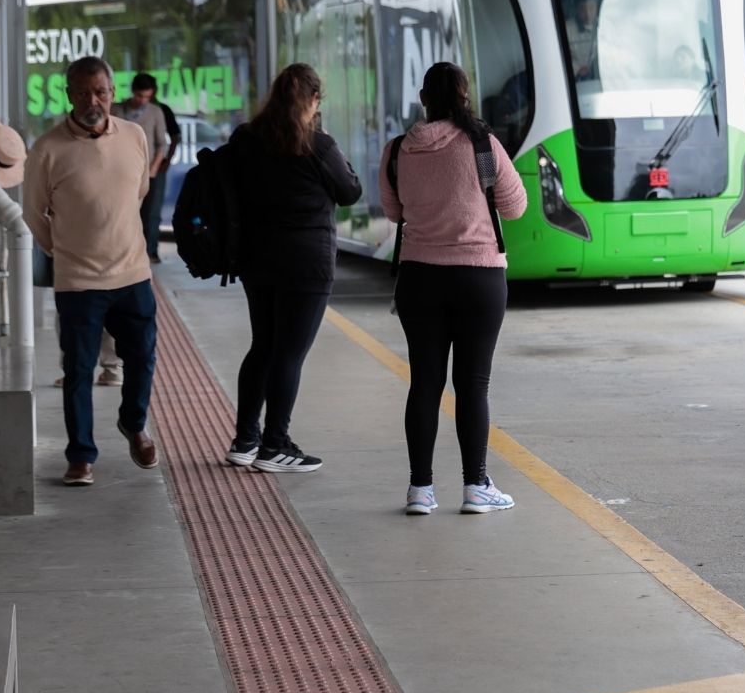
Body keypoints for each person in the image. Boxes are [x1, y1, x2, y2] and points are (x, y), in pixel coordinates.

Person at [378, 61, 528, 514]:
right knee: (472, 384)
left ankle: (420, 491)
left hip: (419, 276)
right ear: (465, 97)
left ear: (424, 99)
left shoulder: (399, 149)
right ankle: (475, 486)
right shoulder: (482, 142)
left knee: (424, 382)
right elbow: (516, 206)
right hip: (479, 277)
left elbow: (392, 210)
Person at [25, 56, 160, 487]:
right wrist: (63, 251)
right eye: (82, 92)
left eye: (100, 91)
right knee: (80, 371)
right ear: (68, 95)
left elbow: (137, 192)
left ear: (112, 92)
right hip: (79, 282)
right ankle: (81, 455)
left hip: (133, 275)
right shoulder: (47, 149)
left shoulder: (135, 136)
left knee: (141, 357)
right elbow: (33, 213)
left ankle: (133, 423)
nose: (92, 100)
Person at [225, 63, 361, 473]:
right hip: (307, 263)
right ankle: (275, 444)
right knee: (289, 353)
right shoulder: (318, 145)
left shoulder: (245, 139)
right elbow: (350, 191)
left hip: (257, 260)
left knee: (263, 345)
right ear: (314, 100)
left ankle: (245, 439)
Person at [113, 73, 171, 263]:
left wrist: (154, 168)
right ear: (132, 92)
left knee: (151, 213)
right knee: (125, 212)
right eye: (139, 96)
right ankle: (127, 252)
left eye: (146, 97)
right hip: (121, 171)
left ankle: (150, 251)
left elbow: (162, 143)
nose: (142, 101)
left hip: (150, 170)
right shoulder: (117, 110)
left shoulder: (155, 112)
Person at [566, 0, 600, 81]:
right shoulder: (567, 29)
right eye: (582, 9)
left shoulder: (606, 25)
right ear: (576, 9)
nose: (588, 13)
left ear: (597, 7)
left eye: (591, 7)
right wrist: (577, 69)